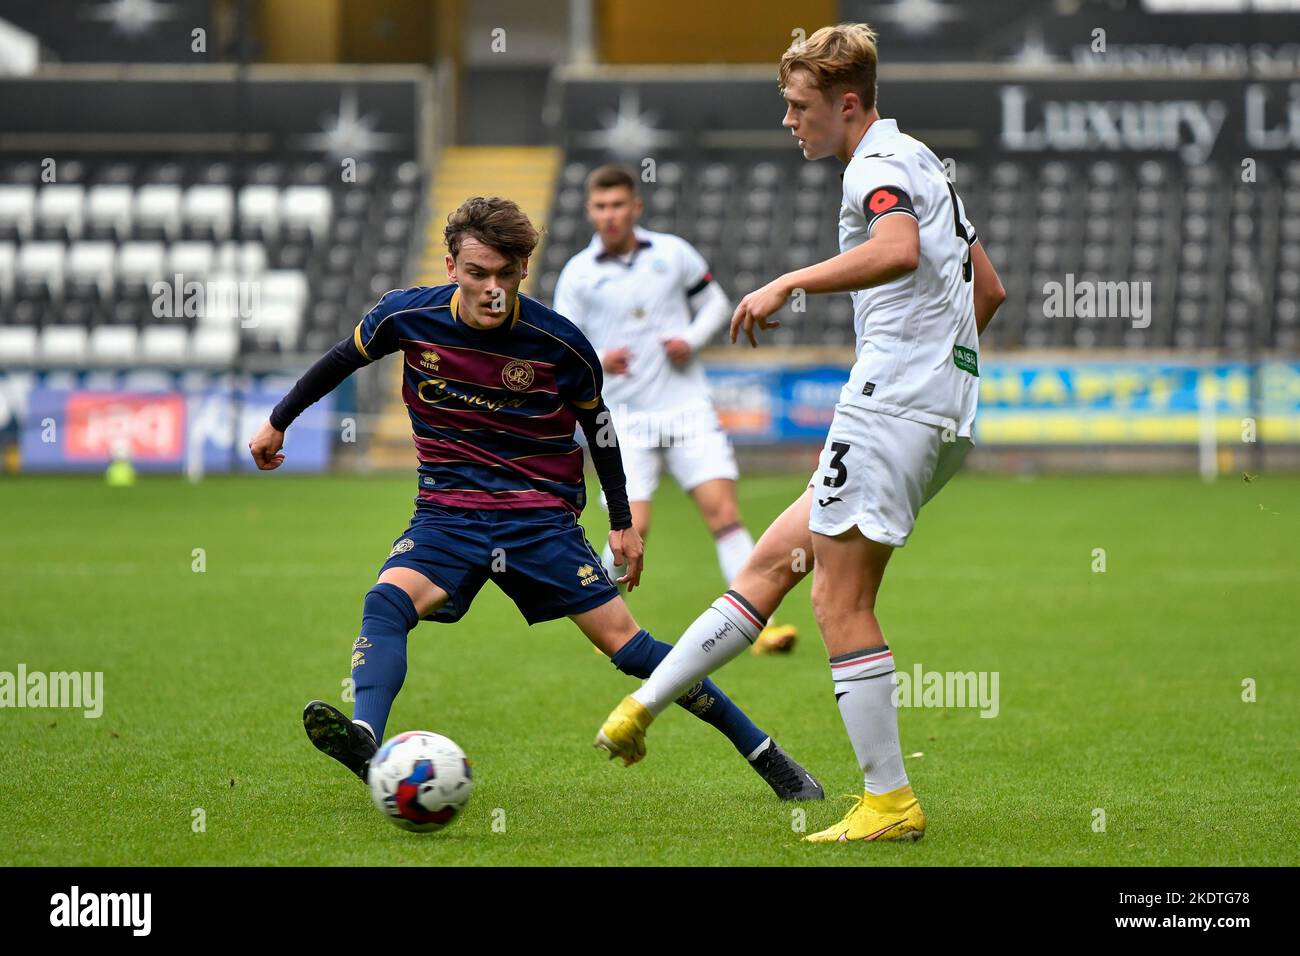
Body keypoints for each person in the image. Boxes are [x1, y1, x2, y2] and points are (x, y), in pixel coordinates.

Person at [248, 195, 823, 801]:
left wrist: (623, 522)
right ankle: (366, 736)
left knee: (630, 650)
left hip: (538, 518)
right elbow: (340, 359)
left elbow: (600, 429)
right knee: (385, 603)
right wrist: (278, 421)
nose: (492, 289)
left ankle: (765, 753)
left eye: (505, 273)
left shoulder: (560, 344)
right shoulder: (405, 317)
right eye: (477, 273)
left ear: (525, 268)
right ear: (450, 268)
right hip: (447, 513)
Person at [593, 23, 1007, 842]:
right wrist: (939, 367)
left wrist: (789, 282)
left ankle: (889, 800)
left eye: (798, 105)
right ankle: (643, 704)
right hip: (933, 407)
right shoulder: (921, 160)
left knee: (837, 600)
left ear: (846, 104)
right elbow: (987, 288)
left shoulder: (878, 169)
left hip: (891, 405)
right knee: (771, 561)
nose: (789, 120)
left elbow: (896, 250)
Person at [553, 165, 796, 653]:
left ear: (635, 207)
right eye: (600, 207)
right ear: (589, 211)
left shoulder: (672, 252)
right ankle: (599, 611)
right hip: (623, 419)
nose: (610, 215)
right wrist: (600, 359)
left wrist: (690, 338)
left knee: (723, 513)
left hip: (686, 408)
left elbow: (715, 303)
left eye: (618, 204)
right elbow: (562, 345)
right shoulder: (578, 273)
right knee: (633, 526)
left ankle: (761, 628)